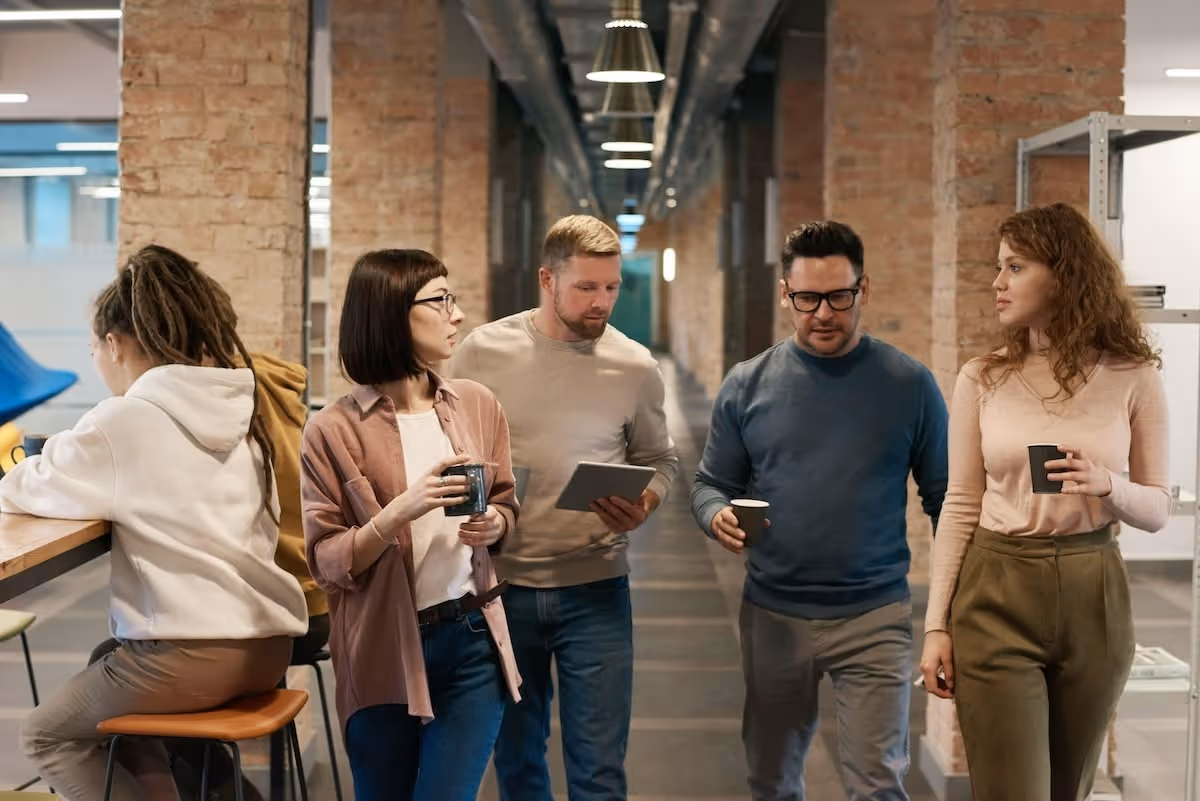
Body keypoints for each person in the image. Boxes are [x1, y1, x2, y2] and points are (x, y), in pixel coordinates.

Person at [0, 244, 309, 801]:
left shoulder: (128, 419)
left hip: (191, 657)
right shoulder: (242, 412)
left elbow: (27, 487)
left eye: (95, 347)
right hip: (268, 647)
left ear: (114, 345)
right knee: (106, 664)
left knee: (46, 735)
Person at [919, 203, 1169, 801]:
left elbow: (1158, 508)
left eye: (1015, 266)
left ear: (1062, 275)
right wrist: (935, 625)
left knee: (1068, 791)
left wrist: (1107, 483)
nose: (997, 283)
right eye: (998, 267)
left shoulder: (1133, 374)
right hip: (996, 586)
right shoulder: (982, 377)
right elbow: (959, 503)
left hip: (1095, 591)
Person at [691, 220, 948, 801]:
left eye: (839, 296)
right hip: (773, 615)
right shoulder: (747, 385)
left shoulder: (909, 385)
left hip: (875, 615)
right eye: (807, 298)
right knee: (772, 780)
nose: (823, 313)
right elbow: (709, 484)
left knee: (879, 783)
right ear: (785, 294)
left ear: (864, 290)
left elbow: (946, 501)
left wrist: (950, 614)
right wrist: (715, 515)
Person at [448, 214, 678, 801]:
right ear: (547, 279)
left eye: (611, 287)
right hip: (502, 588)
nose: (602, 302)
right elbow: (452, 446)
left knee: (599, 772)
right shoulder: (482, 352)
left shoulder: (633, 365)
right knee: (518, 765)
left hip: (596, 587)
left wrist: (646, 500)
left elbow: (661, 459)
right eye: (586, 287)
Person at [300, 248, 521, 801]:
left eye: (454, 298)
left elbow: (506, 503)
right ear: (390, 314)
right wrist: (400, 510)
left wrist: (496, 523)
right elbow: (327, 561)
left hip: (472, 640)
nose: (458, 315)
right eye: (441, 300)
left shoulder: (476, 404)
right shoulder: (332, 431)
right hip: (381, 651)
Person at [85, 350, 329, 801]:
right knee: (134, 656)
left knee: (141, 660)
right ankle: (221, 788)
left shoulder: (202, 406)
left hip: (272, 615)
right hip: (305, 605)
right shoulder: (262, 389)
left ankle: (221, 788)